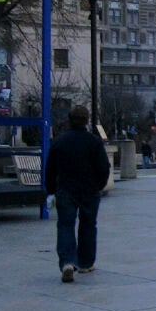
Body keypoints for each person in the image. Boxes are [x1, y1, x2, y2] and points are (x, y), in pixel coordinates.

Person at [45, 106, 111, 283]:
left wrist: (50, 190)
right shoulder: (94, 142)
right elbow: (104, 167)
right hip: (89, 189)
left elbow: (50, 169)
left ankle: (67, 261)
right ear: (87, 120)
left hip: (66, 189)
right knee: (88, 225)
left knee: (65, 225)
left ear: (69, 119)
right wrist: (99, 185)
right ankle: (86, 262)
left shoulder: (59, 141)